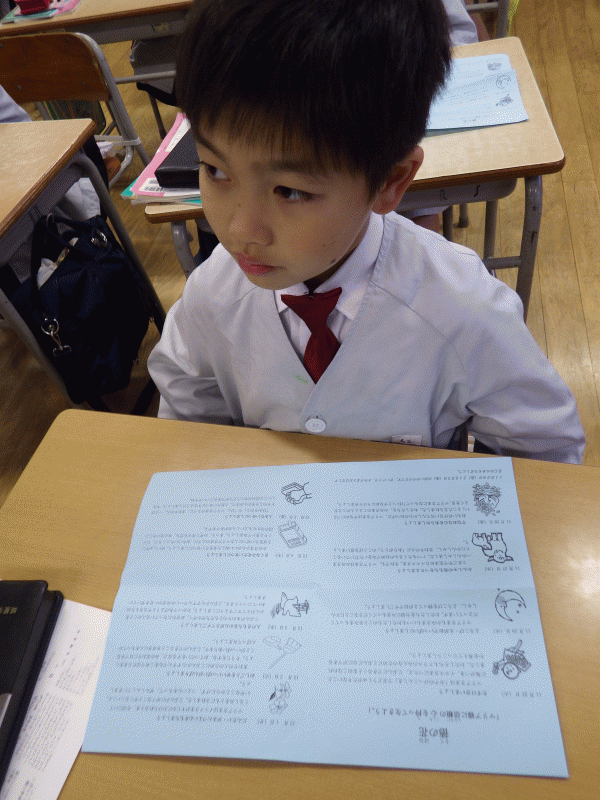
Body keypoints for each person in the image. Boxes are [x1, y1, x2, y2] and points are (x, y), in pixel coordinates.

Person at [148, 0, 585, 464]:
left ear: (391, 182)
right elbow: (186, 416)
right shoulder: (211, 297)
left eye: (290, 191)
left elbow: (546, 450)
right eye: (215, 170)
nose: (240, 231)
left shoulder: (464, 309)